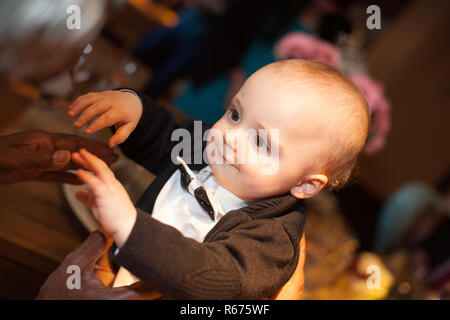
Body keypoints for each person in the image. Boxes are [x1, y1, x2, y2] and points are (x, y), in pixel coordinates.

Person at [65, 59, 369, 299]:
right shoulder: (206, 147)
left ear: (305, 184)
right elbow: (162, 136)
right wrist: (135, 111)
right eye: (235, 114)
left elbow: (214, 275)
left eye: (261, 142)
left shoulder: (271, 239)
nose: (230, 138)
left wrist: (130, 227)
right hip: (109, 277)